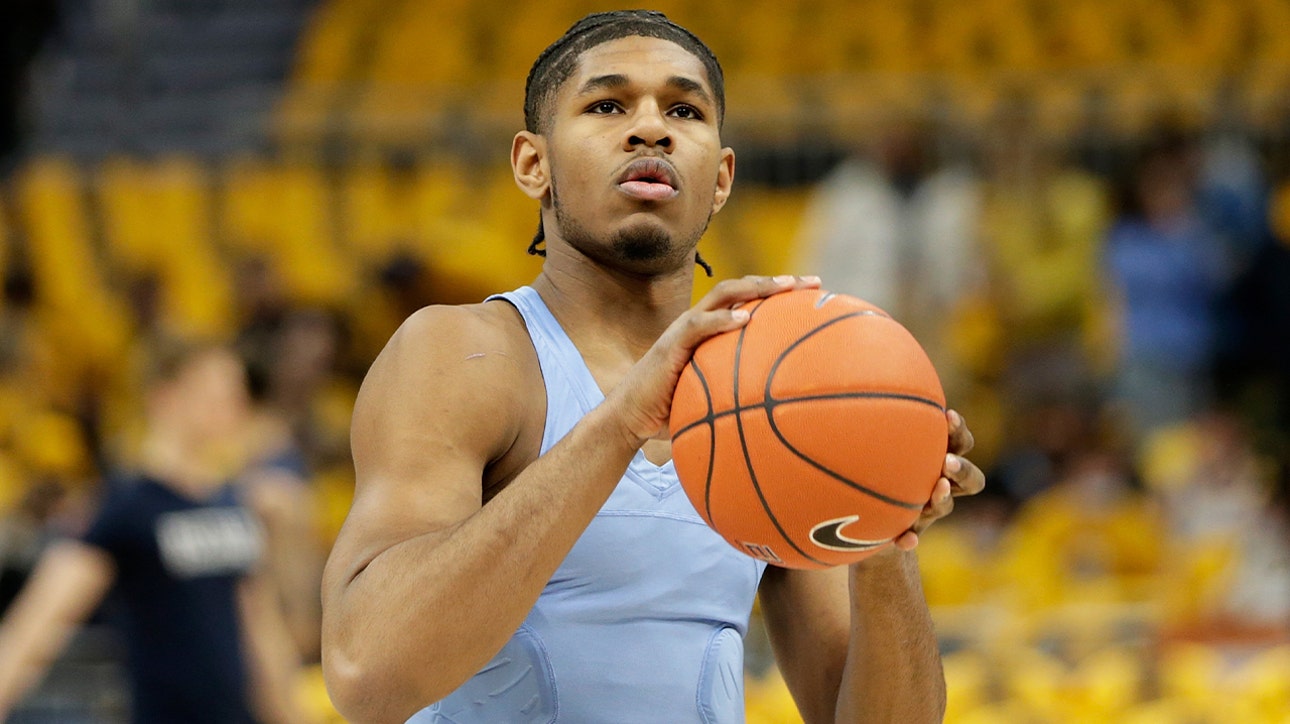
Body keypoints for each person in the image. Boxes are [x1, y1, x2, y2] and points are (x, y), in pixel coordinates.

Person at [320, 11, 985, 723]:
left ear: (722, 177)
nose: (651, 129)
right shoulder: (464, 353)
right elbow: (368, 672)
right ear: (531, 164)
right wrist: (621, 422)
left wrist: (885, 535)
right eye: (607, 104)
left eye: (684, 109)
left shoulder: (768, 391)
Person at [0, 341, 311, 723]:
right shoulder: (128, 505)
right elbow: (40, 619)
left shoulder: (232, 503)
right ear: (166, 397)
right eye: (214, 391)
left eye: (235, 392)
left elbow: (262, 632)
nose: (232, 404)